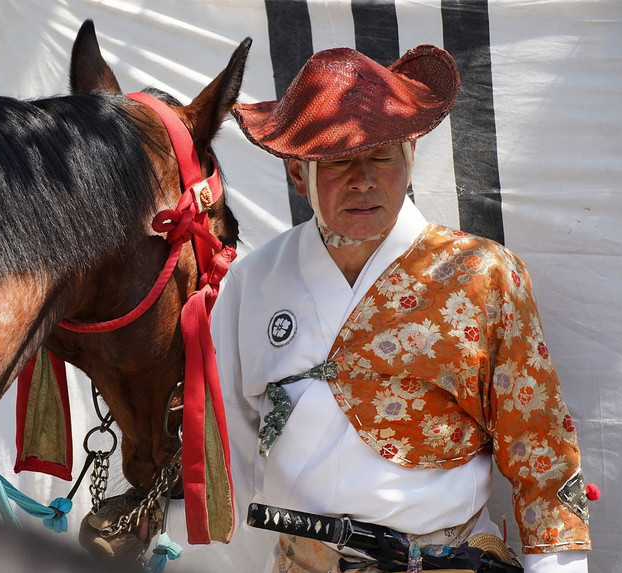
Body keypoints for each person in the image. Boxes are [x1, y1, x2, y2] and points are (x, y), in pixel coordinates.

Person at [206, 45, 594, 573]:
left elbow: (539, 448)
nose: (363, 180)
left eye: (382, 157)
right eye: (339, 161)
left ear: (410, 157)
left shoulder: (481, 274)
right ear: (299, 175)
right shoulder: (253, 282)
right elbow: (231, 440)